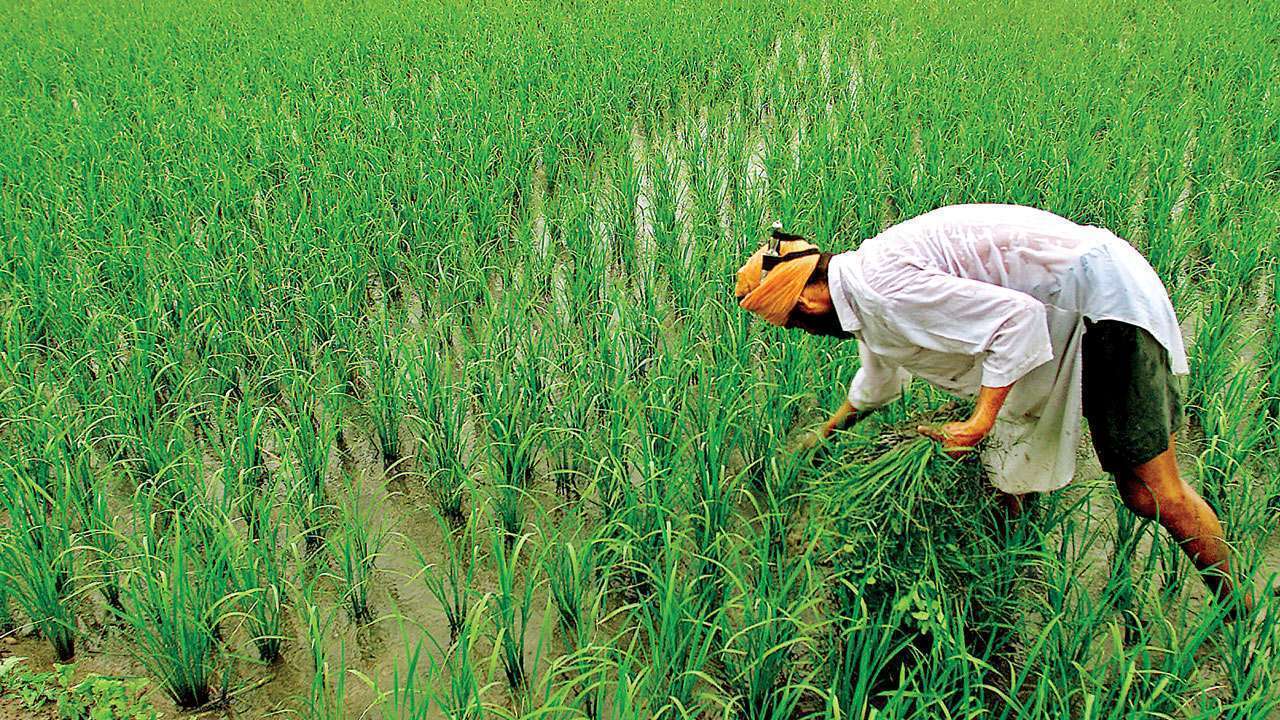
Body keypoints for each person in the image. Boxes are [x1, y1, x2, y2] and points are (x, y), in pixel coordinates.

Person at [734, 204, 1252, 612]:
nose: (806, 333)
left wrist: (979, 421)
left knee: (1149, 492)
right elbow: (878, 377)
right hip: (1069, 311)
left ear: (805, 303)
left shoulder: (881, 289)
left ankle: (1239, 610)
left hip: (1101, 303)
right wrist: (824, 434)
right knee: (1005, 472)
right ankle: (1010, 570)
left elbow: (1016, 320)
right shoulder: (863, 291)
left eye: (795, 325)